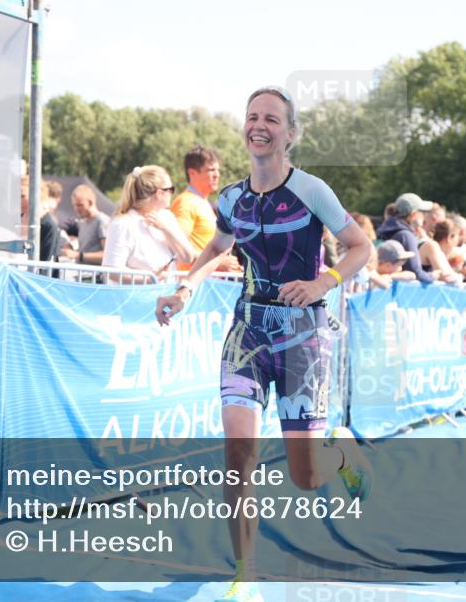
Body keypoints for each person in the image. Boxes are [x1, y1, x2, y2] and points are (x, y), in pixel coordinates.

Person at [154, 86, 373, 602]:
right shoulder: (230, 198)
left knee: (305, 476)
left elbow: (361, 247)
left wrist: (324, 283)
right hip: (248, 334)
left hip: (303, 338)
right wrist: (187, 287)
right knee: (238, 452)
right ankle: (245, 573)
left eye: (272, 118)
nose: (259, 125)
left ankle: (342, 456)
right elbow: (217, 245)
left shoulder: (313, 190)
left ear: (289, 134)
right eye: (252, 116)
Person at [102, 165, 195, 283]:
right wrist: (150, 278)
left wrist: (166, 228)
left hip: (165, 297)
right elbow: (112, 272)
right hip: (134, 299)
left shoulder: (167, 217)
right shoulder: (123, 224)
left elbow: (188, 257)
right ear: (159, 193)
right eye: (171, 189)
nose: (172, 194)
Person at [170, 144, 242, 272]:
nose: (217, 175)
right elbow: (177, 249)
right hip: (195, 287)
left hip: (210, 285)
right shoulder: (186, 203)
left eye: (218, 170)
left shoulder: (204, 202)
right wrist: (218, 263)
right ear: (192, 173)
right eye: (211, 170)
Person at [376, 193, 437, 283]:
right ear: (413, 214)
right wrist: (433, 276)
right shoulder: (406, 236)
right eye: (423, 212)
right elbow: (415, 272)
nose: (425, 216)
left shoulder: (385, 230)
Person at [60, 184, 109, 265]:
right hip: (81, 274)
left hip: (95, 275)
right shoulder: (82, 223)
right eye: (74, 205)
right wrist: (70, 249)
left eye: (80, 205)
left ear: (90, 202)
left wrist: (78, 255)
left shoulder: (102, 221)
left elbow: (107, 255)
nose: (76, 209)